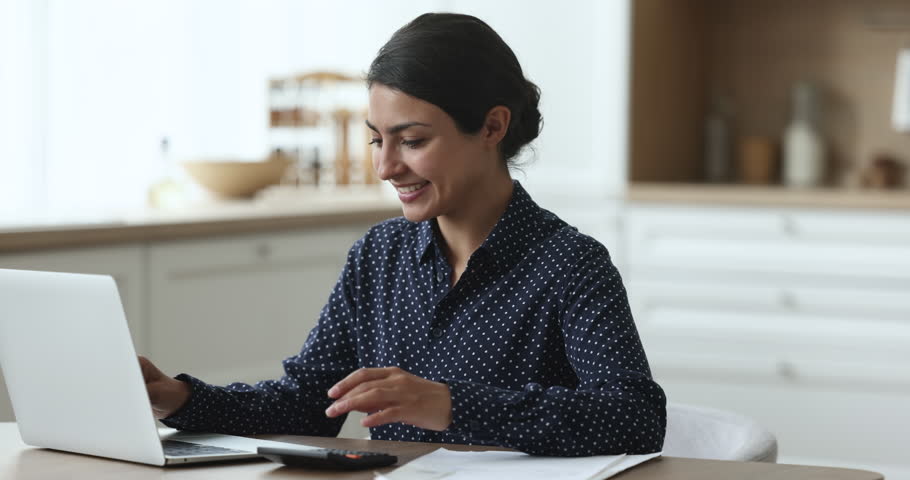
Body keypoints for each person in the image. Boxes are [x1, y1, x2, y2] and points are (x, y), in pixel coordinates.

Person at [141, 12, 666, 457]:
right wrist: (180, 399)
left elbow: (635, 416)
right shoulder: (378, 255)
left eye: (411, 140)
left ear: (492, 127)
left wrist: (451, 404)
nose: (386, 167)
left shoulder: (569, 263)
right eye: (376, 140)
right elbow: (309, 403)